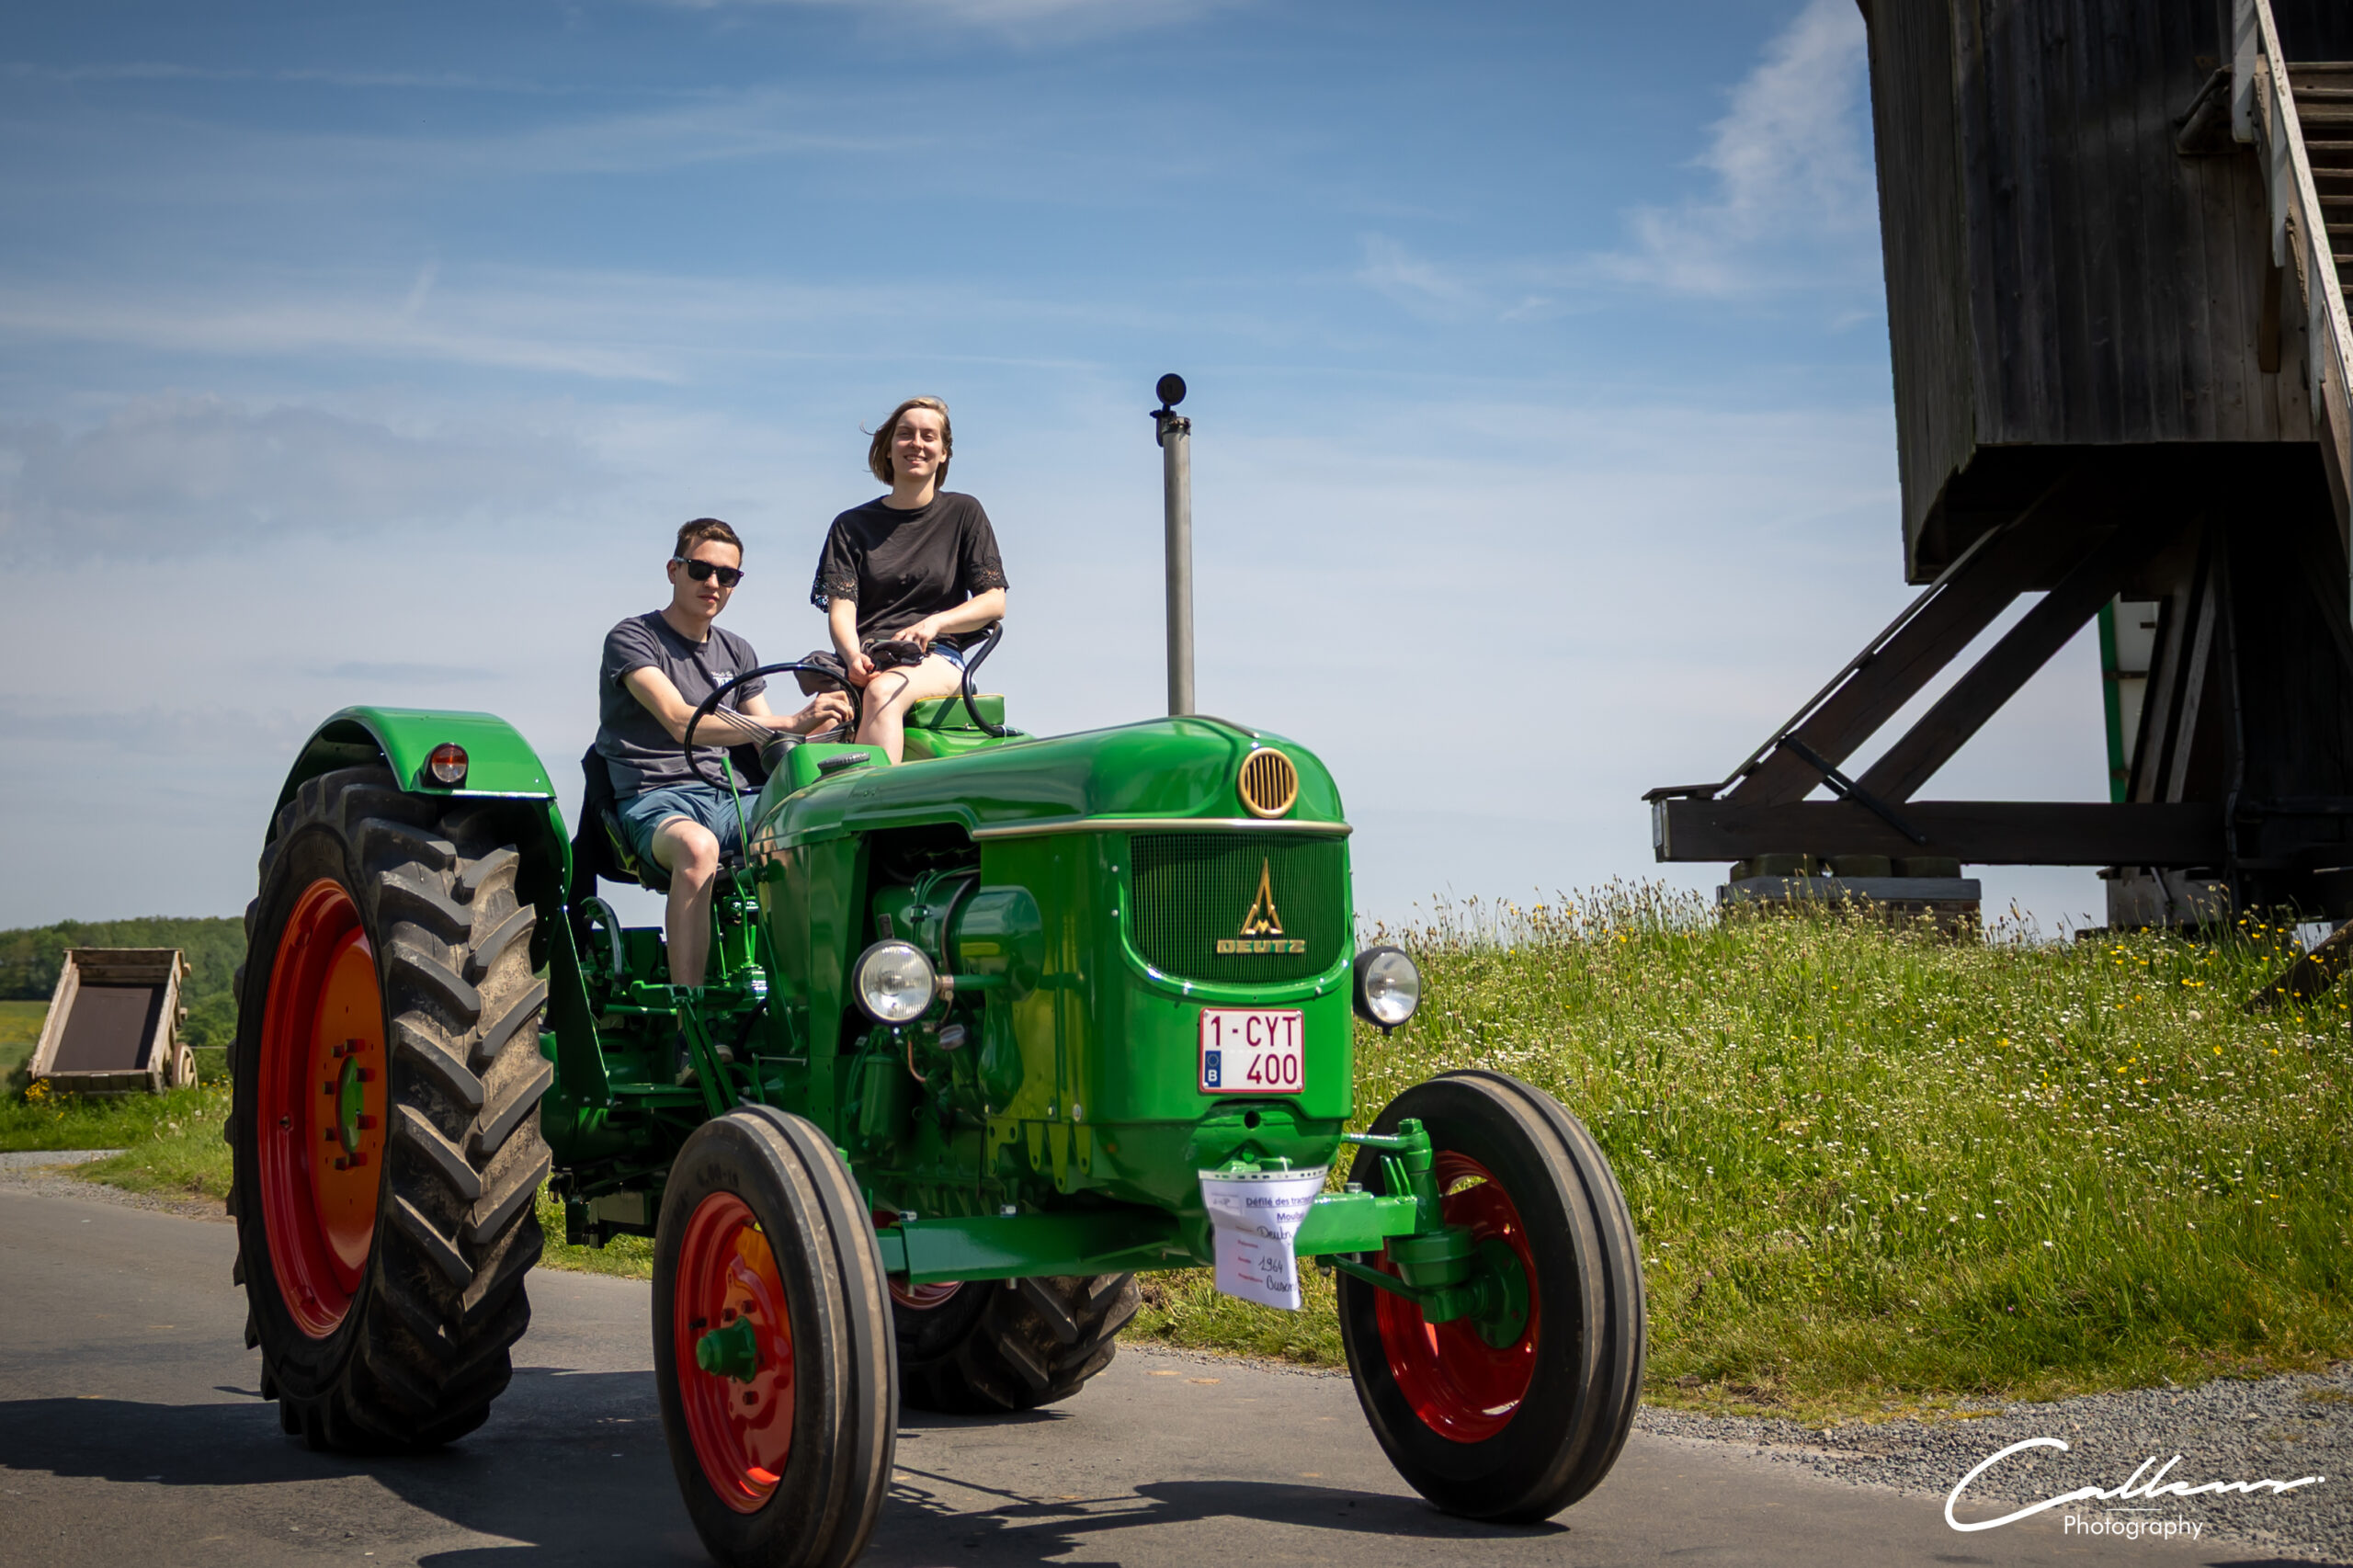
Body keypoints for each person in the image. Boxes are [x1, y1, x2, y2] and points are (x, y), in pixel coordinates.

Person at [598, 518, 851, 1004]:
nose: (713, 583)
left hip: (729, 798)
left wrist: (827, 726)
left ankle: (816, 997)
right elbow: (680, 720)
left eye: (727, 575)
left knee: (820, 827)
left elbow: (767, 741)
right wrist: (793, 721)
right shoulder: (633, 638)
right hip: (657, 800)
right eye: (701, 570)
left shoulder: (737, 651)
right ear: (673, 570)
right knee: (698, 848)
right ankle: (688, 1017)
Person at [810, 396, 1008, 763]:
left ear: (944, 453)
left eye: (928, 436)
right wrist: (852, 657)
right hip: (867, 658)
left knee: (882, 693)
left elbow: (994, 601)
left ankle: (873, 799)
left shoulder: (963, 512)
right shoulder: (850, 526)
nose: (916, 443)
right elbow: (841, 610)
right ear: (888, 449)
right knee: (817, 725)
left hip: (937, 657)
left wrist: (934, 624)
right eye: (905, 434)